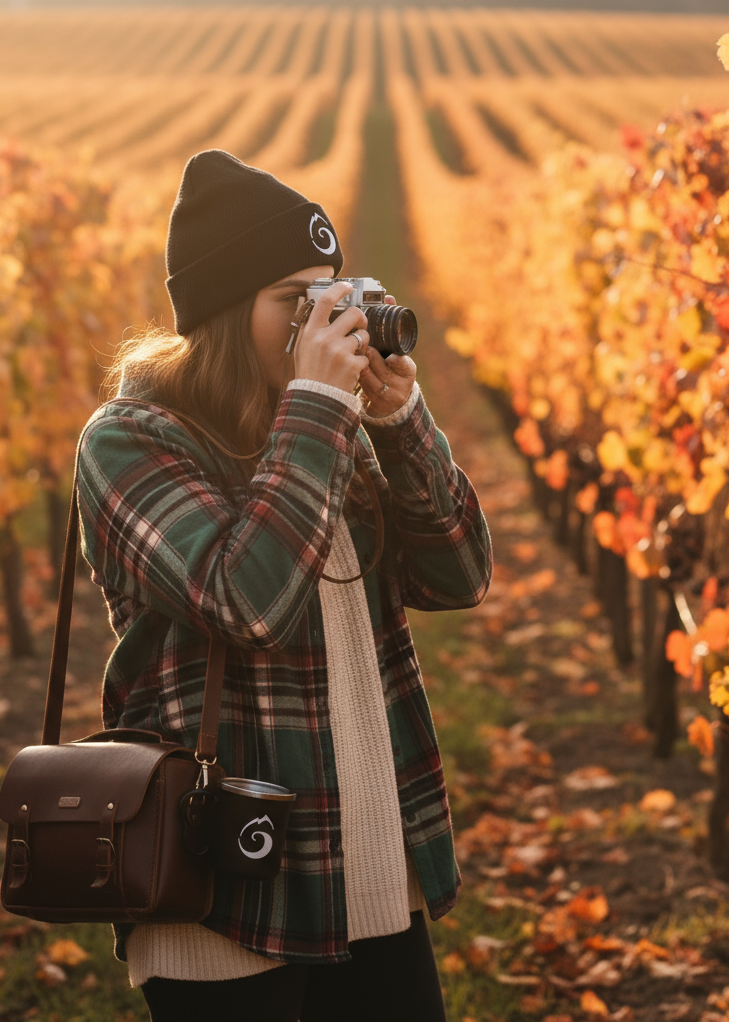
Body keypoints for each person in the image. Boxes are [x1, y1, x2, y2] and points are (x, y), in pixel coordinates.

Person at [75, 150, 492, 1021]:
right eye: (295, 304)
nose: (325, 324)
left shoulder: (325, 418)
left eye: (332, 294)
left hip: (372, 859)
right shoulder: (131, 439)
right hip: (225, 878)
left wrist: (400, 420)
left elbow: (460, 575)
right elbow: (246, 603)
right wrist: (318, 407)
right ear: (225, 311)